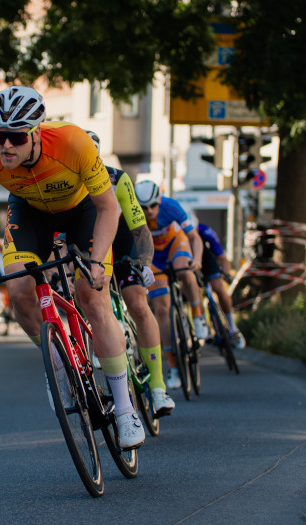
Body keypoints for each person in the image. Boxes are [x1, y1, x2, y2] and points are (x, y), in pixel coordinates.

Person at [0, 85, 144, 449]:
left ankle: (126, 409)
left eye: (16, 137)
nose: (5, 146)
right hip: (30, 212)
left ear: (36, 132)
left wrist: (97, 261)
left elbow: (109, 208)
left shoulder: (73, 142)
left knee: (91, 296)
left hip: (83, 210)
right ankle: (59, 369)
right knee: (19, 291)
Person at [86, 130, 175, 416]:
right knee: (88, 302)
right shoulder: (63, 183)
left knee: (137, 303)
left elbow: (139, 227)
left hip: (122, 242)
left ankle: (158, 387)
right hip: (90, 246)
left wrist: (145, 262)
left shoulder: (117, 178)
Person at [134, 180, 208, 391]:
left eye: (153, 206)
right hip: (154, 257)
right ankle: (173, 366)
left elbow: (194, 237)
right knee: (161, 310)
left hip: (175, 244)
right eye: (143, 207)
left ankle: (197, 315)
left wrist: (197, 260)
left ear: (159, 201)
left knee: (184, 271)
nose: (149, 211)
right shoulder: (133, 213)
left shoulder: (171, 206)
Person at [196, 221, 246, 349]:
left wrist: (227, 274)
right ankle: (203, 324)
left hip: (205, 258)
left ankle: (232, 327)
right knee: (194, 291)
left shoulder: (204, 230)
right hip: (186, 258)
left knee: (218, 287)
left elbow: (222, 257)